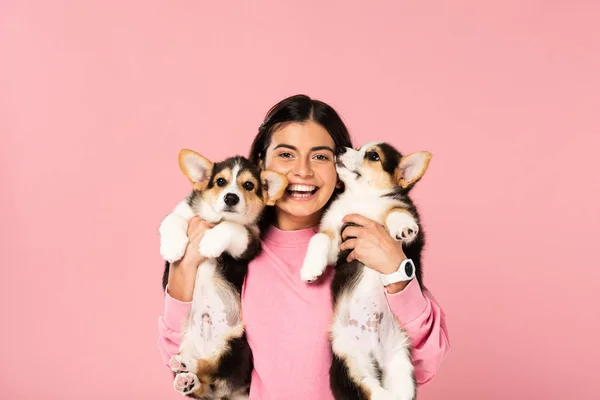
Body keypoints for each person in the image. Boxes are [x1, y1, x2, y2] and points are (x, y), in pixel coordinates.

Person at [157, 94, 450, 399]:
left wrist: (396, 269)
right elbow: (178, 361)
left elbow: (426, 360)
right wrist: (185, 265)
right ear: (261, 166)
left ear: (340, 169)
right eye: (286, 154)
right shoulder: (232, 246)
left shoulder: (361, 242)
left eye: (320, 156)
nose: (303, 171)